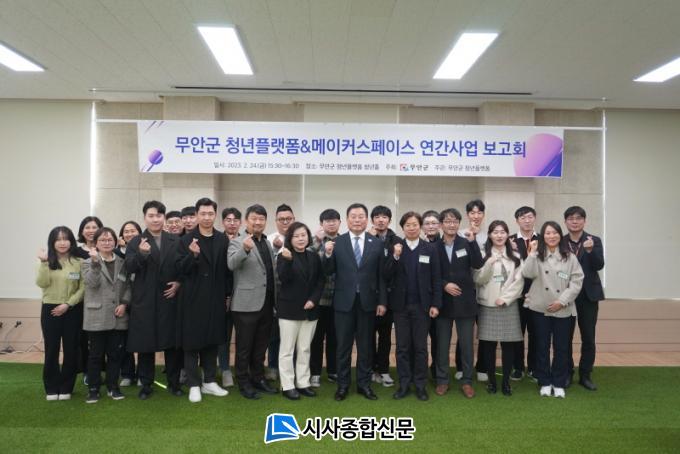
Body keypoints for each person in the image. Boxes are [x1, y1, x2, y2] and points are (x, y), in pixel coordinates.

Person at [323, 203, 387, 401]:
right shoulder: (337, 242)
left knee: (366, 347)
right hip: (343, 303)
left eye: (361, 216)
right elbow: (328, 271)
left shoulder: (376, 243)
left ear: (367, 220)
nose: (357, 220)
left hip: (368, 302)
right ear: (347, 220)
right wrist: (327, 254)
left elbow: (381, 276)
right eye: (353, 216)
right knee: (343, 347)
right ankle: (343, 385)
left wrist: (382, 302)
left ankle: (364, 385)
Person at [125, 201, 183, 400]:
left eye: (159, 215)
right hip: (145, 300)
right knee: (145, 345)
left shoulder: (175, 240)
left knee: (172, 345)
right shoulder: (136, 241)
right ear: (144, 218)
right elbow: (129, 267)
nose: (155, 219)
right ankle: (146, 385)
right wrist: (142, 254)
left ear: (164, 218)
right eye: (151, 215)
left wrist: (179, 283)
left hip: (169, 299)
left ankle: (174, 383)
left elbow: (183, 267)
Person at [176, 198, 231, 403]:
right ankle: (193, 384)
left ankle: (209, 381)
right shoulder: (186, 240)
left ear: (215, 215)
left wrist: (227, 295)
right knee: (191, 343)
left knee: (212, 341)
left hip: (216, 297)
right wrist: (192, 255)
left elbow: (227, 272)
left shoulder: (222, 239)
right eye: (203, 214)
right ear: (197, 215)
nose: (207, 217)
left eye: (210, 214)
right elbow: (179, 269)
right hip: (192, 298)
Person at [384, 212, 441, 401]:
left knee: (420, 347)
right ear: (403, 228)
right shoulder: (396, 247)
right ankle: (404, 384)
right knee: (402, 347)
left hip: (422, 306)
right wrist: (395, 256)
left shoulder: (430, 248)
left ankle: (420, 385)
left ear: (420, 226)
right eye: (407, 225)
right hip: (400, 306)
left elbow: (436, 278)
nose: (411, 228)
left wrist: (435, 304)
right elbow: (386, 274)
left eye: (415, 224)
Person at [522, 221, 584, 398]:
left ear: (560, 235)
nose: (551, 236)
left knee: (562, 348)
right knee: (541, 347)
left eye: (555, 232)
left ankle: (558, 382)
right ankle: (544, 381)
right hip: (540, 307)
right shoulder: (537, 255)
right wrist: (532, 253)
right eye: (548, 233)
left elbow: (577, 282)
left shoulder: (569, 257)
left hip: (563, 308)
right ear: (543, 236)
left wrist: (562, 301)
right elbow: (527, 273)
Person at [228, 204, 278, 400]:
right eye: (254, 219)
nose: (258, 222)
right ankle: (243, 381)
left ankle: (258, 378)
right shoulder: (237, 241)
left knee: (260, 346)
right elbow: (231, 264)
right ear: (246, 221)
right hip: (245, 304)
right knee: (244, 347)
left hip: (266, 303)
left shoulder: (266, 242)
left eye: (261, 219)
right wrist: (244, 249)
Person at [434, 208, 483, 398]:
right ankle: (442, 380)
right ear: (441, 225)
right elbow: (430, 274)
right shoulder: (434, 246)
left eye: (455, 221)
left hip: (465, 302)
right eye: (447, 221)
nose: (451, 224)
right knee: (442, 345)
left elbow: (478, 264)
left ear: (459, 224)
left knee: (467, 345)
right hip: (443, 302)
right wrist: (444, 285)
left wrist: (473, 242)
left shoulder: (466, 242)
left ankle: (467, 381)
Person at [473, 221, 525, 396]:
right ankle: (492, 382)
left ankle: (506, 383)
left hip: (508, 305)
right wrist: (489, 263)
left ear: (507, 235)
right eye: (495, 232)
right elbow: (478, 279)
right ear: (489, 235)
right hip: (488, 304)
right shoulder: (482, 254)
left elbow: (519, 281)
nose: (499, 235)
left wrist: (505, 298)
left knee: (509, 345)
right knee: (488, 346)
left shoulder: (516, 256)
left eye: (503, 232)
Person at [276, 222, 325, 400]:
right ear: (290, 238)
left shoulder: (313, 256)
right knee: (287, 350)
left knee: (304, 348)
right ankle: (287, 385)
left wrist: (313, 300)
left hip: (310, 310)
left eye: (303, 235)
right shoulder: (284, 255)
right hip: (289, 310)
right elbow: (283, 278)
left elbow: (320, 280)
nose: (300, 239)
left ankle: (303, 382)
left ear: (308, 237)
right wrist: (288, 260)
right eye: (296, 236)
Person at [36, 226, 84, 401]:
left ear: (71, 241)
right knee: (51, 349)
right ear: (52, 242)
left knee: (71, 349)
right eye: (58, 239)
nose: (62, 243)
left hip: (72, 309)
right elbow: (42, 283)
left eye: (66, 239)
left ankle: (66, 387)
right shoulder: (45, 261)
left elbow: (83, 288)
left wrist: (68, 304)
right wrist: (43, 263)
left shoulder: (79, 262)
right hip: (50, 309)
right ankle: (51, 387)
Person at [82, 227, 129, 403]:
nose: (107, 243)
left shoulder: (123, 262)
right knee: (95, 356)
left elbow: (128, 286)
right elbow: (91, 283)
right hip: (96, 315)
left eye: (110, 240)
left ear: (115, 242)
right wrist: (95, 263)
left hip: (118, 315)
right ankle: (93, 389)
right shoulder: (87, 262)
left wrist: (124, 303)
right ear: (96, 243)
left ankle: (113, 387)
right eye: (102, 240)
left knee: (115, 355)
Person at [563, 206, 605, 391]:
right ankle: (567, 373)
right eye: (571, 218)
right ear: (565, 221)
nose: (575, 221)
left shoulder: (594, 240)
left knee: (588, 337)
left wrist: (590, 251)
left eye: (578, 218)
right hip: (566, 295)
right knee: (564, 337)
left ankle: (585, 375)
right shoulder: (560, 241)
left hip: (588, 296)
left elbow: (599, 265)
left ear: (584, 221)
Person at [309, 208, 341, 387]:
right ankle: (314, 372)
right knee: (316, 338)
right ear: (321, 224)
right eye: (327, 221)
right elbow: (306, 259)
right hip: (318, 299)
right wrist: (318, 242)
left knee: (335, 337)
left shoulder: (344, 241)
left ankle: (333, 371)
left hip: (338, 298)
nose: (331, 223)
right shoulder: (314, 241)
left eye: (334, 220)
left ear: (340, 223)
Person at [368, 205, 399, 388]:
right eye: (377, 217)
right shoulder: (366, 239)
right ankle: (371, 369)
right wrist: (371, 239)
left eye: (384, 217)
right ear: (372, 220)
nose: (381, 220)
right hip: (368, 296)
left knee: (386, 337)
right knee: (368, 336)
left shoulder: (397, 241)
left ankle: (384, 370)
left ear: (389, 220)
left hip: (389, 297)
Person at [266, 204, 296, 381]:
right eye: (281, 219)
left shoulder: (300, 237)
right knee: (274, 333)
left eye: (288, 219)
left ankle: (291, 368)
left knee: (292, 335)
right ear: (276, 221)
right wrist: (276, 249)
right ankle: (272, 366)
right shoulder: (269, 240)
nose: (285, 222)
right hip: (275, 294)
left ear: (294, 219)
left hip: (295, 295)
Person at [509, 206, 539, 381]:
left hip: (537, 296)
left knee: (536, 333)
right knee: (516, 333)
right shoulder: (510, 241)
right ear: (517, 221)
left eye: (530, 217)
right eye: (522, 218)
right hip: (517, 296)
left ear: (535, 218)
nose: (527, 220)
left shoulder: (544, 239)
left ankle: (534, 368)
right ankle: (518, 367)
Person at [113, 220, 142, 387]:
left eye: (133, 230)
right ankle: (127, 373)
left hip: (142, 299)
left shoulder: (146, 248)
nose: (130, 234)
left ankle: (143, 374)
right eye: (126, 231)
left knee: (142, 338)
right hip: (123, 300)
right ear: (121, 235)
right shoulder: (117, 253)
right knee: (123, 339)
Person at [218, 207, 242, 388]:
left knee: (243, 337)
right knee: (223, 336)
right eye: (228, 220)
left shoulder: (246, 240)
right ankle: (225, 369)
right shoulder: (218, 241)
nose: (232, 223)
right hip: (222, 296)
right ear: (223, 222)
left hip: (243, 296)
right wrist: (225, 295)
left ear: (240, 223)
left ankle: (242, 369)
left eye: (235, 220)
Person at [420, 209, 440, 379]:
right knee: (419, 340)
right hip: (420, 301)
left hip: (439, 299)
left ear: (439, 225)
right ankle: (419, 371)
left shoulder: (444, 243)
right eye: (427, 223)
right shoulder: (417, 244)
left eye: (434, 223)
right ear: (422, 226)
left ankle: (436, 371)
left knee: (437, 339)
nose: (431, 226)